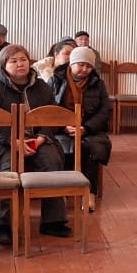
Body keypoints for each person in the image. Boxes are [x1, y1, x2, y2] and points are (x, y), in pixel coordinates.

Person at [0, 44, 71, 247]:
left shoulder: (42, 86)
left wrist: (42, 138)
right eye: (13, 61)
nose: (20, 64)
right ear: (4, 65)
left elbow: (52, 116)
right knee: (8, 167)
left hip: (36, 138)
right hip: (1, 141)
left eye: (23, 59)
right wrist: (13, 141)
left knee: (51, 161)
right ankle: (2, 224)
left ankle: (53, 221)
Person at [51, 46, 111, 210]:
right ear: (72, 63)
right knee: (61, 148)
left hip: (90, 129)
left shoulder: (98, 83)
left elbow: (105, 110)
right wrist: (63, 127)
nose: (84, 69)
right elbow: (49, 108)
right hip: (62, 129)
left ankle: (89, 192)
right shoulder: (55, 80)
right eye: (81, 65)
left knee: (92, 148)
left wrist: (86, 128)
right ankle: (63, 191)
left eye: (88, 66)